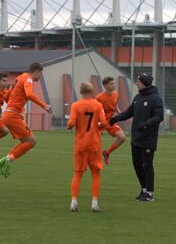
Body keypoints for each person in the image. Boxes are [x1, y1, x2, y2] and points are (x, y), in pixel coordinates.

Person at [109, 73, 163, 202]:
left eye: (139, 81)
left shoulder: (155, 98)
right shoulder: (138, 97)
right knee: (137, 164)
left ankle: (149, 193)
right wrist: (116, 118)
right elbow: (129, 112)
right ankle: (144, 189)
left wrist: (146, 124)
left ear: (144, 83)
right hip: (136, 137)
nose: (137, 83)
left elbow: (159, 116)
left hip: (148, 138)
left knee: (147, 165)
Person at [0, 62, 52, 178]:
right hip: (12, 115)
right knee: (32, 141)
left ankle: (5, 160)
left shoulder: (19, 77)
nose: (40, 76)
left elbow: (6, 96)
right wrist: (44, 106)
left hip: (7, 114)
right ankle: (7, 160)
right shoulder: (28, 79)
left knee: (25, 142)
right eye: (40, 74)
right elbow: (30, 94)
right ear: (36, 71)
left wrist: (16, 108)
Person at [67, 82, 107, 212]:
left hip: (80, 144)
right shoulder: (98, 105)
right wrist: (98, 128)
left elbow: (71, 123)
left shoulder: (75, 105)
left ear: (81, 91)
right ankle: (94, 203)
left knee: (78, 173)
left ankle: (74, 202)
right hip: (94, 144)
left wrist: (69, 126)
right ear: (92, 90)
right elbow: (104, 122)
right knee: (96, 174)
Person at [96, 76, 126, 165]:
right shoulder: (99, 98)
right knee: (95, 142)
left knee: (122, 138)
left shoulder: (116, 94)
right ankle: (93, 159)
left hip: (110, 121)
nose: (113, 85)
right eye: (111, 84)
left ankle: (106, 153)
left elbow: (115, 106)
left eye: (113, 83)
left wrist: (120, 114)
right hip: (100, 122)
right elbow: (95, 110)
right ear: (105, 86)